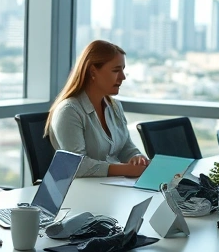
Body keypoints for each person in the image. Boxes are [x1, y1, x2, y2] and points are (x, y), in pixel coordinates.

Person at [46, 40, 150, 177]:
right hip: (81, 191)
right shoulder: (69, 111)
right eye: (116, 70)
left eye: (123, 70)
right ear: (93, 72)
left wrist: (136, 158)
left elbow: (126, 148)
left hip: (111, 186)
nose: (123, 77)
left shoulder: (115, 106)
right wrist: (125, 169)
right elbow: (76, 165)